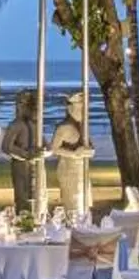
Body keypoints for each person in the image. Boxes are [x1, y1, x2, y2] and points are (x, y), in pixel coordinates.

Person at [51, 89, 95, 221]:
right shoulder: (63, 128)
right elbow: (54, 149)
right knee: (73, 204)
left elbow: (90, 147)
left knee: (84, 203)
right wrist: (73, 153)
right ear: (71, 109)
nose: (83, 112)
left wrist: (89, 152)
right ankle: (74, 230)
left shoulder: (83, 127)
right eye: (80, 108)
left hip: (82, 169)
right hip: (69, 169)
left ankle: (84, 229)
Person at [2, 89, 41, 215]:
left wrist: (41, 152)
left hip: (36, 165)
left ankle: (35, 220)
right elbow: (6, 146)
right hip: (21, 164)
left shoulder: (35, 125)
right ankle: (24, 222)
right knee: (22, 196)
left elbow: (46, 146)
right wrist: (24, 154)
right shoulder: (16, 125)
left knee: (36, 196)